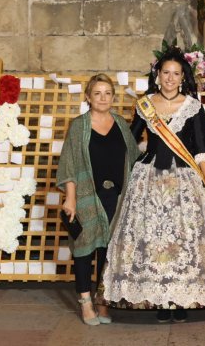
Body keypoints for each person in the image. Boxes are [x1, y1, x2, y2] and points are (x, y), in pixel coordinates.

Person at [97, 47, 205, 323]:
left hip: (185, 181)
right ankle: (159, 300)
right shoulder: (145, 104)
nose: (171, 78)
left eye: (176, 74)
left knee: (183, 239)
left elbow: (201, 149)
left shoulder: (193, 107)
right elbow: (131, 140)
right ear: (158, 75)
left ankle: (181, 300)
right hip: (149, 179)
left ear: (183, 77)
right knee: (151, 239)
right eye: (166, 73)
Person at [57, 73, 141, 325]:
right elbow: (69, 164)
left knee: (108, 250)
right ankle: (85, 302)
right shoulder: (78, 125)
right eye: (97, 93)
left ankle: (103, 300)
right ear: (88, 97)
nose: (103, 98)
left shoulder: (121, 124)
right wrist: (70, 199)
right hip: (85, 196)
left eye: (107, 93)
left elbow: (134, 158)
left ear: (113, 97)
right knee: (84, 250)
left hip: (116, 197)